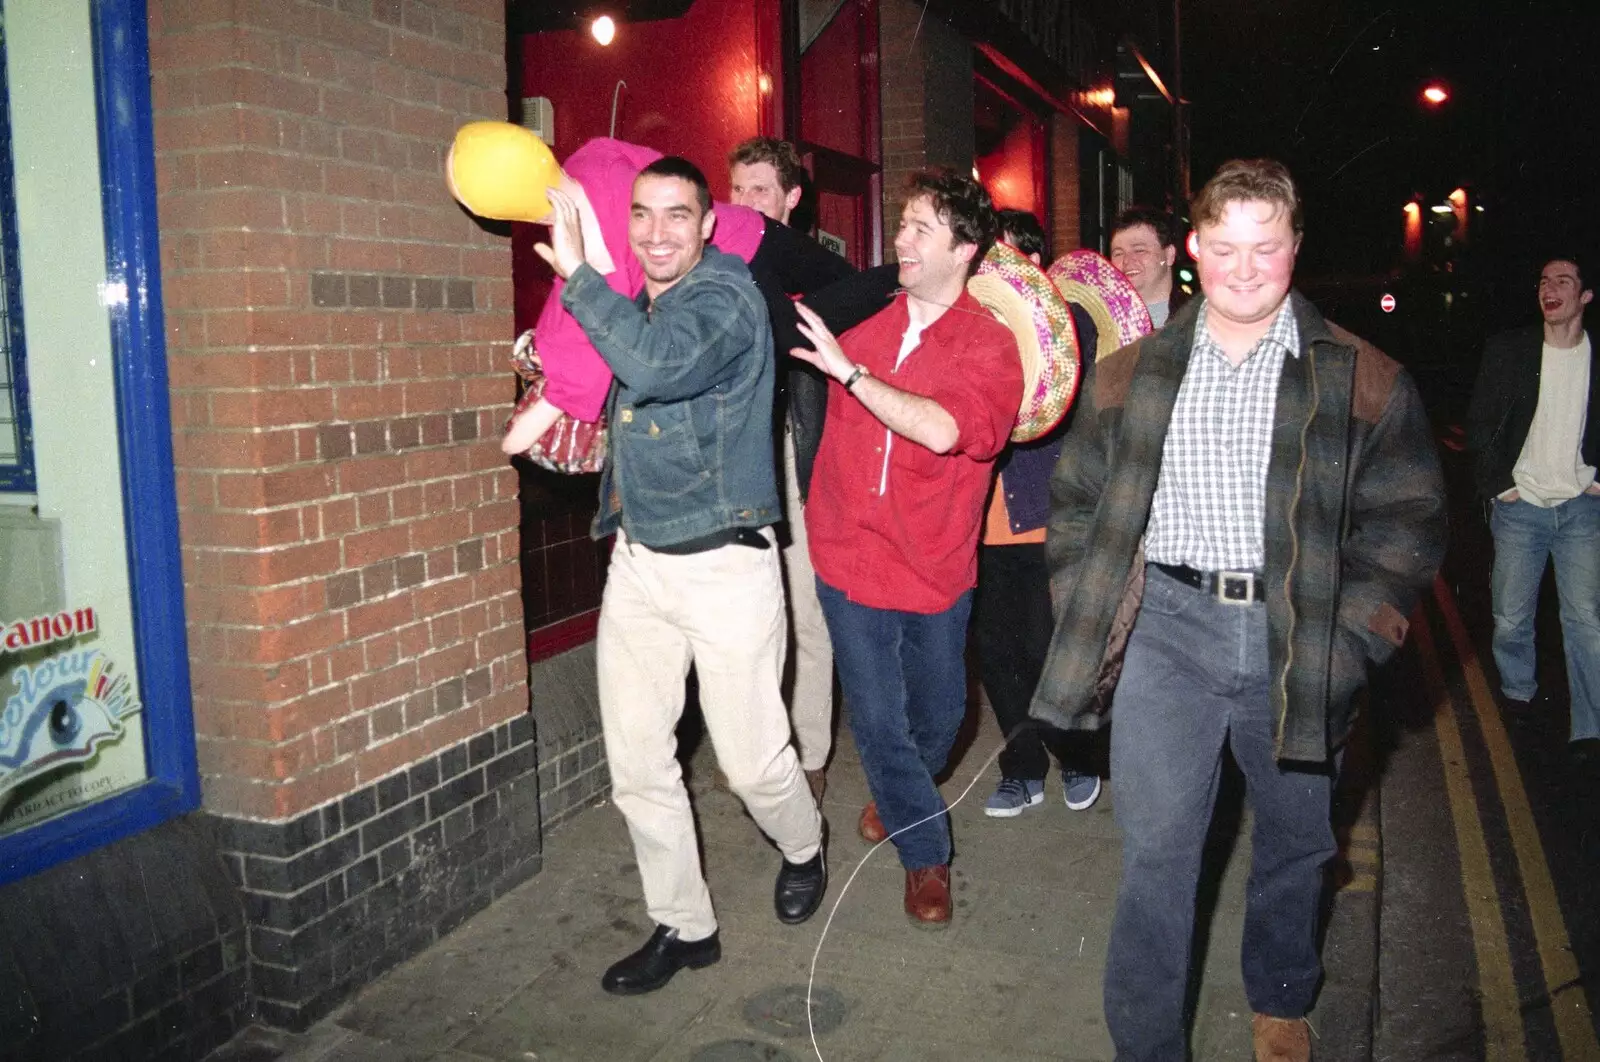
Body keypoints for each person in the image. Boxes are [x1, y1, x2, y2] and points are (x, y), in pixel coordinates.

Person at [1030, 159, 1446, 1061]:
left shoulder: (1363, 377)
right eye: (1225, 247)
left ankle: (1283, 992)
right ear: (1194, 250)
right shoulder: (1129, 374)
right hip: (1168, 637)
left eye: (1266, 247)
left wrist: (1349, 644)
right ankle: (1146, 1046)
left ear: (1296, 247)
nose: (1245, 268)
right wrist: (1092, 609)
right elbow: (1076, 502)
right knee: (1156, 858)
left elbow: (1408, 519)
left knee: (1297, 843)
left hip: (1298, 635)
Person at [536, 157, 828, 995]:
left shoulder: (728, 298)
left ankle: (804, 843)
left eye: (677, 215)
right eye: (642, 214)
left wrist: (579, 275)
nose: (658, 232)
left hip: (725, 568)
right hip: (639, 565)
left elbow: (663, 366)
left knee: (753, 766)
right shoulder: (640, 301)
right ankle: (684, 924)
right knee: (636, 762)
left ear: (708, 224)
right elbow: (632, 399)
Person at [794, 170, 1022, 928]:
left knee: (944, 712)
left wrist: (850, 374)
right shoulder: (862, 319)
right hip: (847, 552)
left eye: (921, 228)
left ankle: (898, 796)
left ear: (965, 248)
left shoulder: (989, 346)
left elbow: (946, 430)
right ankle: (927, 856)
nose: (900, 240)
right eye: (902, 224)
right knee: (882, 721)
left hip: (935, 562)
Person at [975, 209, 1104, 816]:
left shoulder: (1067, 323)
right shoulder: (968, 320)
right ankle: (1021, 768)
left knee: (1049, 648)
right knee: (997, 652)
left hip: (1044, 513)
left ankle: (1076, 754)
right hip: (978, 520)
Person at [728, 136, 836, 801]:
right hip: (736, 461)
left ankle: (813, 750)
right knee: (741, 615)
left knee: (805, 611)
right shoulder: (715, 269)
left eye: (759, 191)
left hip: (799, 460)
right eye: (735, 191)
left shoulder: (819, 271)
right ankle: (760, 749)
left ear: (792, 198)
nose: (743, 205)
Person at [1467, 255, 1600, 759]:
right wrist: (1501, 485)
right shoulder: (1511, 351)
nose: (1550, 288)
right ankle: (1518, 695)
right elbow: (1479, 426)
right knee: (1509, 617)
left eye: (1563, 281)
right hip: (1521, 508)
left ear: (1584, 296)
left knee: (1585, 618)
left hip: (1581, 509)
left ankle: (1590, 726)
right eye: (1544, 280)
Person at [1109, 206, 1185, 327]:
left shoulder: (1197, 320)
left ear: (1169, 255)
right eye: (1118, 254)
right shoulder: (1100, 325)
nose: (1127, 261)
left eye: (1139, 250)